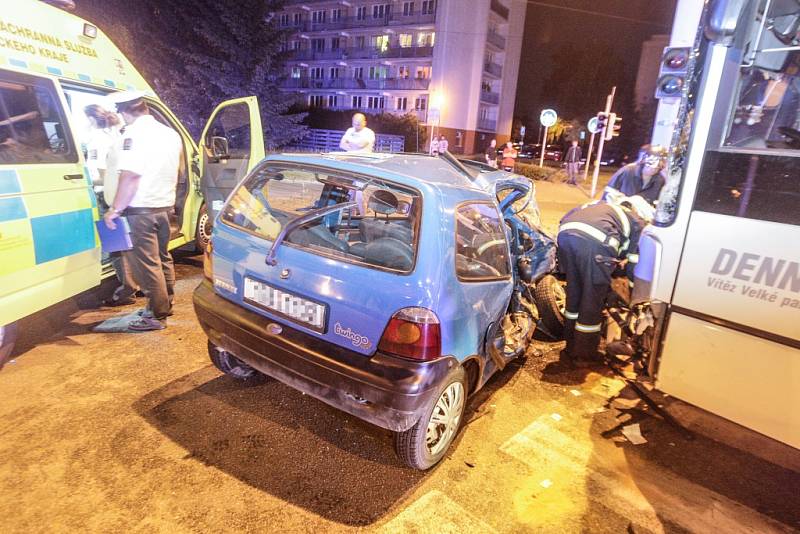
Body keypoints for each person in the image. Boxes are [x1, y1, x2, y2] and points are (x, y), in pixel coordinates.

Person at [103, 91, 182, 331]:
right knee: (163, 258)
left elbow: (130, 176)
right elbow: (178, 170)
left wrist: (114, 210)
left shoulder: (134, 135)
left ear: (124, 111)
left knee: (147, 265)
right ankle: (165, 303)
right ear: (145, 108)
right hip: (164, 207)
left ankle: (156, 316)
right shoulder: (170, 134)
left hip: (140, 210)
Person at [557, 198, 648, 366]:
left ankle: (570, 345)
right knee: (592, 298)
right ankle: (585, 354)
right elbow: (634, 262)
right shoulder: (638, 222)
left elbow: (565, 219)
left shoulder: (599, 206)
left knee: (575, 292)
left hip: (565, 236)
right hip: (594, 243)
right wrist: (635, 292)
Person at [84, 104, 142, 306]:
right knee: (128, 244)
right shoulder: (114, 135)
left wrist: (86, 182)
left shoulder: (98, 140)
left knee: (117, 247)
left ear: (91, 119)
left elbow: (102, 175)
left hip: (105, 196)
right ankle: (138, 285)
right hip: (118, 196)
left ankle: (128, 290)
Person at [603, 144, 668, 205]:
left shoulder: (660, 180)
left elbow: (658, 201)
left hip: (643, 215)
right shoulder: (628, 171)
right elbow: (609, 191)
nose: (653, 170)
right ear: (643, 162)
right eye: (649, 166)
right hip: (620, 213)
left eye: (657, 168)